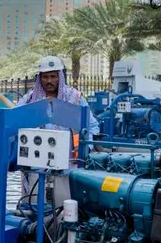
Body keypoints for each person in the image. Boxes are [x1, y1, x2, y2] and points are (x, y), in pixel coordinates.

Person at [16, 56, 100, 198]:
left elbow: (92, 127)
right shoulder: (29, 100)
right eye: (45, 77)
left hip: (67, 166)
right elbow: (15, 125)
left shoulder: (75, 99)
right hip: (36, 168)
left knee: (64, 211)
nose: (49, 81)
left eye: (53, 76)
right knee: (34, 209)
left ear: (60, 76)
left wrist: (85, 149)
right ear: (39, 78)